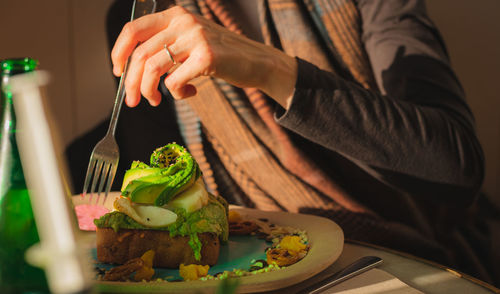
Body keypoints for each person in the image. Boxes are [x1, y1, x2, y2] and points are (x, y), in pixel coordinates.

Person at [66, 0, 499, 285]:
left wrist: (270, 69)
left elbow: (456, 168)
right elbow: (163, 203)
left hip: (400, 259)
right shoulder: (140, 11)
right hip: (256, 266)